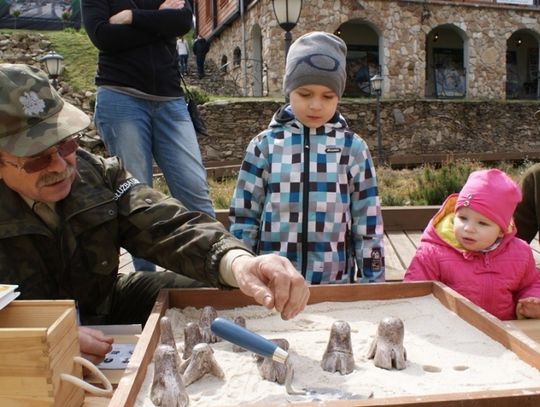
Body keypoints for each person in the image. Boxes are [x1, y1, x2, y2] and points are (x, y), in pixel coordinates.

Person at [0, 64, 310, 363]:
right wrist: (37, 340)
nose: (60, 165)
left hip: (104, 305)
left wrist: (239, 263)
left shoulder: (94, 173)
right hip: (16, 334)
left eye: (66, 144)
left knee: (207, 290)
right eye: (36, 159)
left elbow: (167, 225)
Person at [229, 32, 385, 284]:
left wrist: (373, 281)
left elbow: (368, 224)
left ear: (339, 96)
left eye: (328, 96)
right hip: (273, 285)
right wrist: (242, 275)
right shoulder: (264, 146)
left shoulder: (353, 148)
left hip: (333, 285)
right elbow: (244, 218)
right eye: (304, 93)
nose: (315, 105)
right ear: (289, 88)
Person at [82, 0, 214, 272]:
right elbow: (103, 37)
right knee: (137, 197)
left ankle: (213, 269)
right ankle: (148, 283)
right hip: (120, 98)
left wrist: (132, 17)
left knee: (195, 189)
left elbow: (183, 23)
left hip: (170, 99)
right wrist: (159, 22)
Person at [404, 168, 540, 320]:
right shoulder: (432, 253)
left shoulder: (520, 254)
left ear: (502, 230)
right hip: (450, 332)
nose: (468, 228)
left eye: (482, 223)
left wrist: (532, 299)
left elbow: (531, 283)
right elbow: (413, 291)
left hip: (505, 334)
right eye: (462, 218)